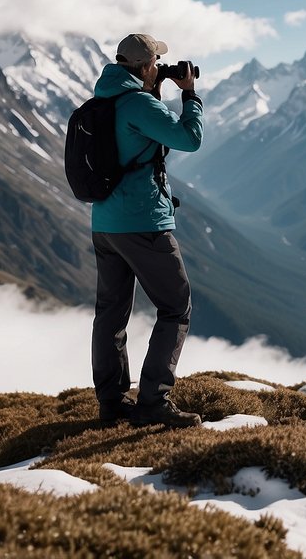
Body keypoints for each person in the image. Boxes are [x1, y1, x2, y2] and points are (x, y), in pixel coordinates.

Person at [90, 33, 203, 428]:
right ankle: (154, 401)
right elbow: (189, 139)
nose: (161, 67)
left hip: (104, 225)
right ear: (145, 66)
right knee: (175, 306)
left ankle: (112, 402)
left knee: (111, 314)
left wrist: (153, 90)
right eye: (157, 61)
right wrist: (190, 96)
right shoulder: (138, 103)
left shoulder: (103, 99)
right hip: (143, 224)